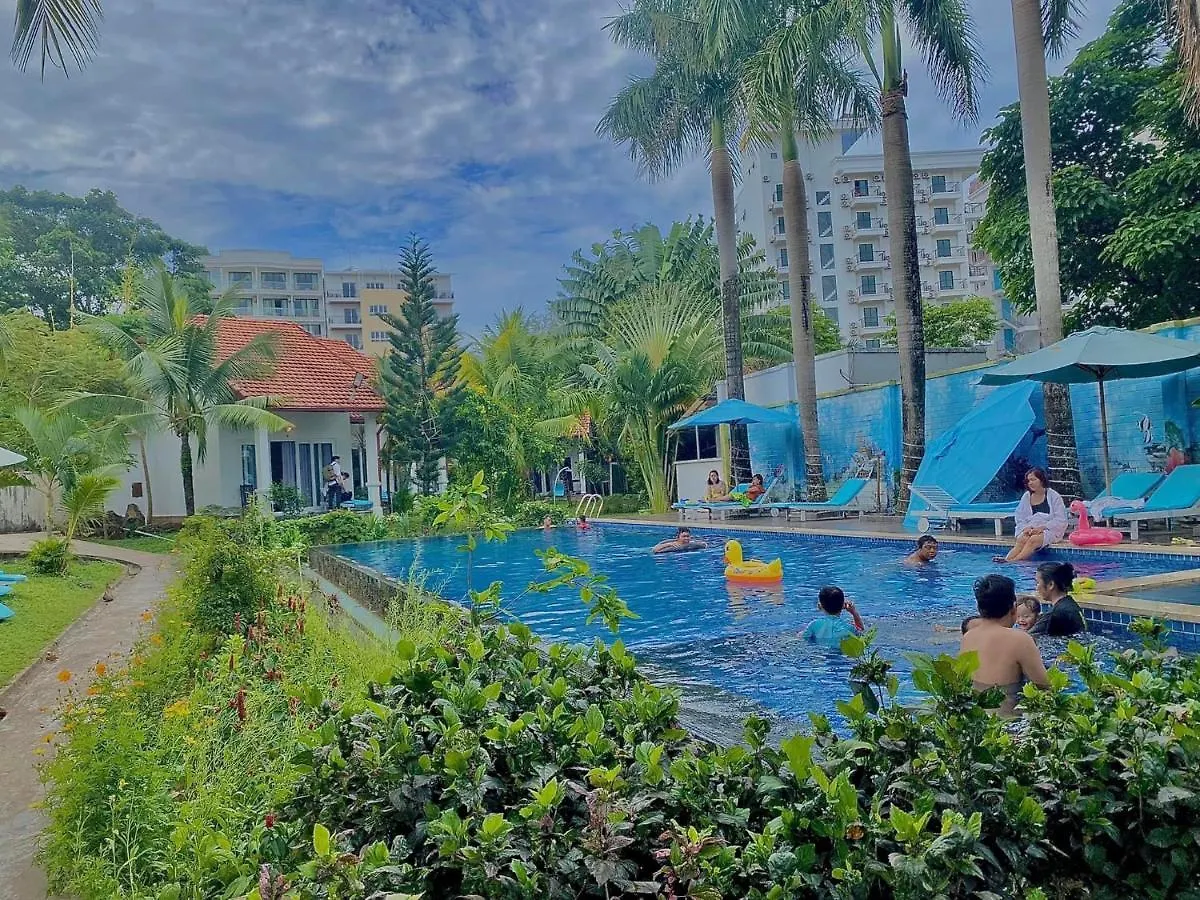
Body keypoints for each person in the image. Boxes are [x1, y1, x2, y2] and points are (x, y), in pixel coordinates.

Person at [959, 574, 1050, 717]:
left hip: (975, 720)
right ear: (1013, 608)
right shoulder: (1020, 639)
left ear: (979, 608)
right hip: (1007, 723)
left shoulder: (968, 637)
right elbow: (1045, 686)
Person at [998, 467, 1068, 563]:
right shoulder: (1026, 496)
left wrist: (1042, 528)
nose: (1030, 483)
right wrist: (1025, 528)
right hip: (1031, 529)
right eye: (1028, 481)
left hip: (1050, 530)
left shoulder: (1054, 496)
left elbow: (1061, 519)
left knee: (1033, 540)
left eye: (1033, 480)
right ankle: (1007, 559)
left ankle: (1014, 561)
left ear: (1042, 480)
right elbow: (1020, 516)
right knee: (1022, 539)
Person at [1029, 561, 1086, 637]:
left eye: (1037, 583)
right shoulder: (1070, 604)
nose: (1036, 587)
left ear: (1051, 585)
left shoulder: (1055, 614)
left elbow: (1026, 638)